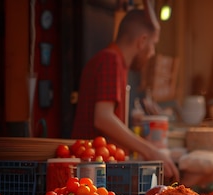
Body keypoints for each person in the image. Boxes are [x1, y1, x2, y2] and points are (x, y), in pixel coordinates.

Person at [71, 2, 179, 181]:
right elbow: (103, 118)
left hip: (97, 167)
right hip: (91, 172)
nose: (152, 53)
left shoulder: (115, 63)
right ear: (142, 41)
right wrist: (151, 151)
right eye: (153, 44)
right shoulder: (110, 60)